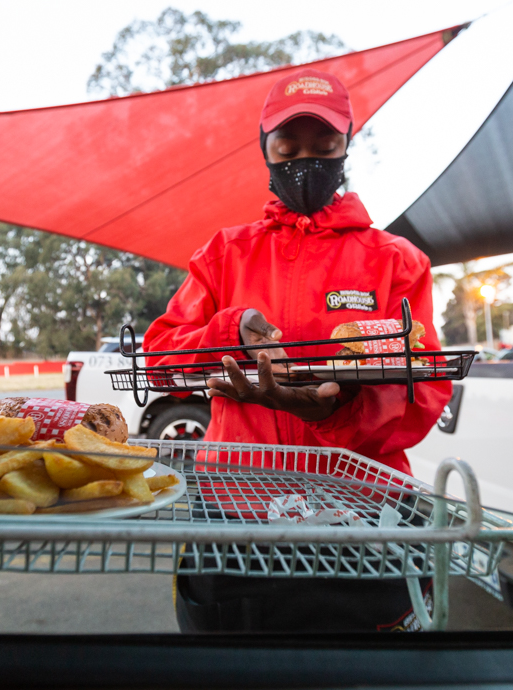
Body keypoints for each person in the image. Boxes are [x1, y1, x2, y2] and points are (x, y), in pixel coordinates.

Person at [143, 68, 452, 632]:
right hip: (235, 504)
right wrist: (227, 331)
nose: (305, 161)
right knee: (230, 665)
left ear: (346, 147)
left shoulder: (396, 260)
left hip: (360, 506)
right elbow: (161, 360)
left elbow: (425, 385)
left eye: (324, 146)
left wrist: (337, 412)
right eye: (288, 146)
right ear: (266, 150)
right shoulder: (223, 254)